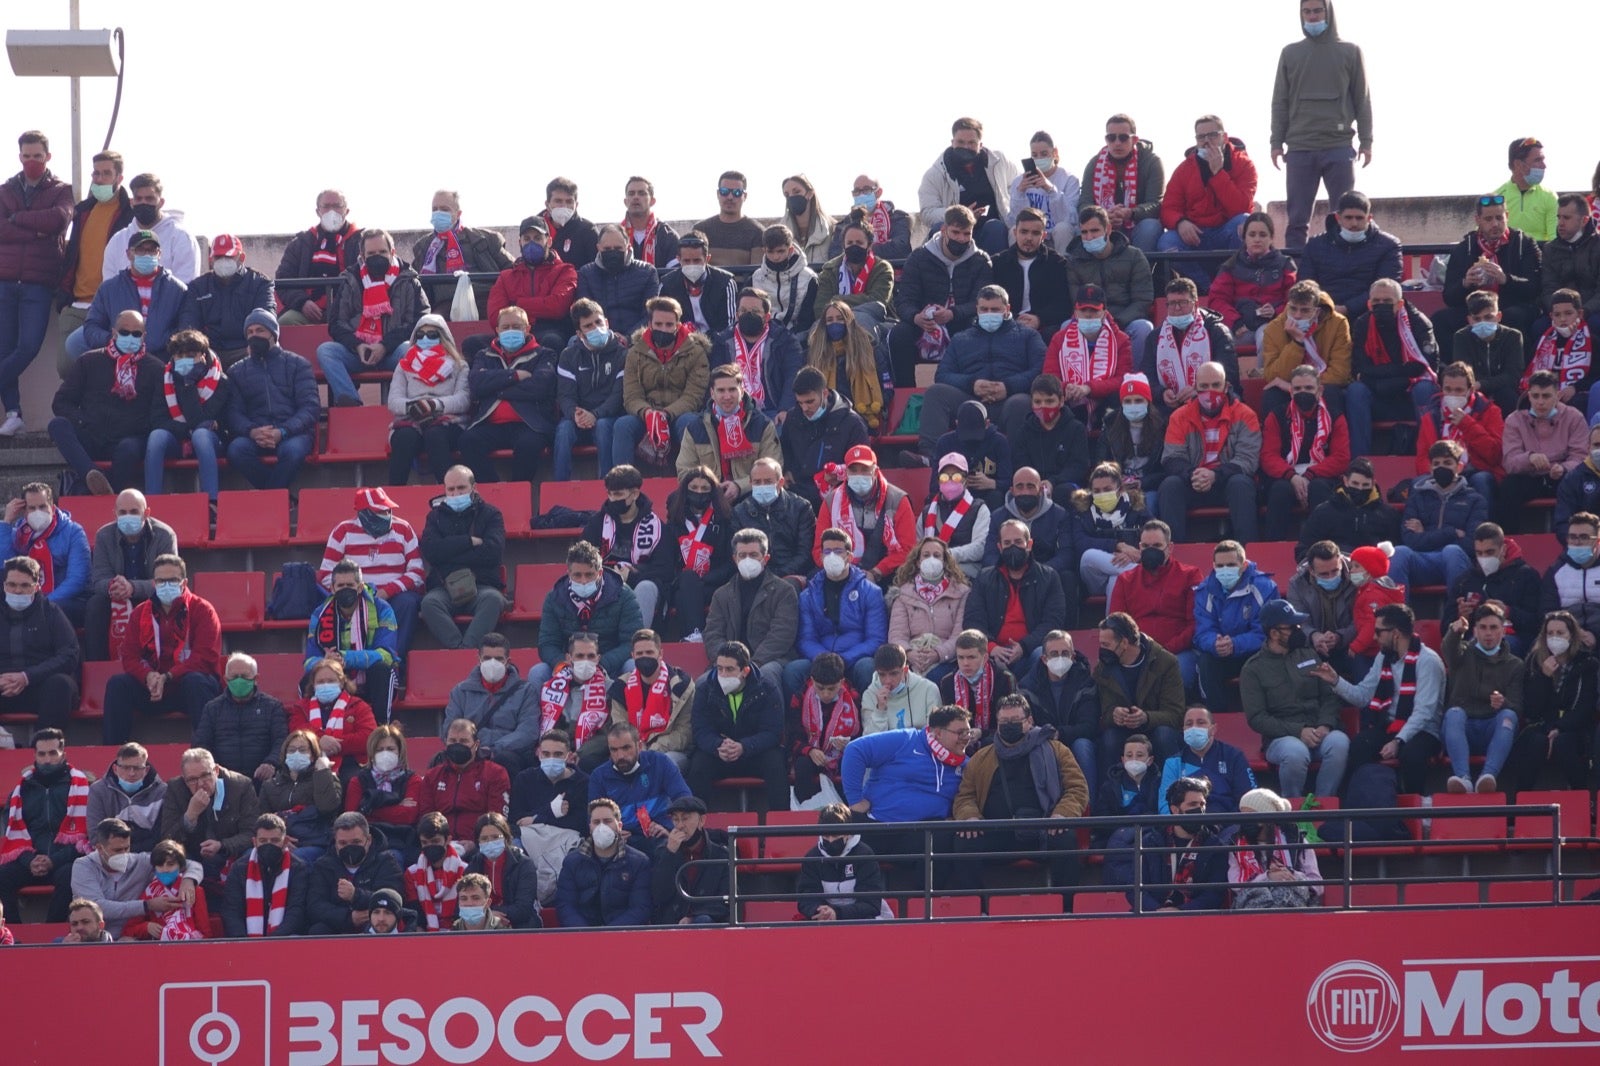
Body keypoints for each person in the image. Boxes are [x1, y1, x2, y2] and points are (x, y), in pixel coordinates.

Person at [949, 694, 1086, 899]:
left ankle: (1066, 906)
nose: (1009, 725)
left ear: (1029, 722)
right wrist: (970, 817)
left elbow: (1077, 788)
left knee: (1065, 838)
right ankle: (977, 906)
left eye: (1015, 721)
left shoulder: (1057, 750)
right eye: (1004, 722)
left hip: (1043, 829)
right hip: (996, 831)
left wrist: (1062, 814)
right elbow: (965, 795)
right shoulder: (981, 757)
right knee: (964, 842)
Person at [1270, 0, 1373, 249]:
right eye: (1307, 11)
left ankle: (1345, 264)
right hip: (1299, 146)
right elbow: (1279, 101)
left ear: (1328, 13)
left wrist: (1367, 141)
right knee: (1297, 220)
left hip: (1338, 145)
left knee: (1345, 216)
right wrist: (1276, 142)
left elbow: (1362, 99)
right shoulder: (1290, 53)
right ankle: (1298, 272)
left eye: (1318, 11)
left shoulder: (1350, 51)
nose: (1313, 16)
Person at [1315, 602, 1444, 795]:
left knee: (1412, 755)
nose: (1374, 638)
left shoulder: (1428, 661)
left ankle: (1416, 810)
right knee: (1360, 746)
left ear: (1395, 634)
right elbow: (1363, 696)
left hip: (1423, 731)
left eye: (1378, 632)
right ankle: (1365, 803)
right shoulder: (1383, 657)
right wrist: (1336, 681)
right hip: (1390, 726)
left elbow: (1423, 712)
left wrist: (1398, 741)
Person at [840, 706, 969, 887]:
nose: (966, 738)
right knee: (838, 831)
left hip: (919, 834)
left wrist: (959, 816)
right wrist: (854, 800)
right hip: (878, 825)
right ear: (938, 733)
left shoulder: (966, 765)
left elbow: (969, 797)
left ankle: (921, 906)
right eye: (960, 732)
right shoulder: (906, 739)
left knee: (943, 838)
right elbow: (855, 750)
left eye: (968, 732)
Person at [102, 553, 221, 744]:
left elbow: (204, 657)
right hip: (153, 689)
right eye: (161, 581)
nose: (166, 585)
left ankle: (208, 755)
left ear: (184, 582)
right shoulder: (140, 612)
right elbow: (130, 657)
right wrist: (148, 676)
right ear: (154, 584)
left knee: (196, 681)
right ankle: (113, 758)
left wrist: (168, 676)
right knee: (118, 685)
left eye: (172, 580)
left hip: (187, 687)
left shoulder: (203, 610)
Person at [918, 284, 1043, 462]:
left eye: (995, 309)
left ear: (1007, 309)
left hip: (1010, 400)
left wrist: (1008, 386)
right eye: (984, 309)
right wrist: (972, 384)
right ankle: (929, 457)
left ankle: (1020, 462)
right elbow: (942, 374)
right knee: (935, 393)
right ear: (977, 309)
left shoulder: (1028, 336)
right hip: (970, 400)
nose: (989, 313)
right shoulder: (961, 339)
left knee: (1021, 403)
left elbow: (1039, 370)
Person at [0, 130, 72, 433]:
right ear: (19, 157)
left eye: (37, 156)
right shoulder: (5, 191)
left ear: (48, 157)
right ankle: (13, 413)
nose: (32, 161)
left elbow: (59, 220)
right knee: (5, 348)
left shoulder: (62, 189)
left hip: (39, 283)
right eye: (27, 156)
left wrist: (16, 220)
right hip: (4, 281)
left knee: (28, 346)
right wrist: (36, 229)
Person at [1241, 599, 1349, 799]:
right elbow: (1257, 718)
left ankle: (1323, 805)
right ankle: (1293, 809)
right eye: (1292, 627)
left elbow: (1329, 697)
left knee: (1339, 742)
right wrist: (1298, 731)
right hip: (1281, 738)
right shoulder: (1253, 669)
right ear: (1274, 633)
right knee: (1295, 753)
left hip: (1318, 729)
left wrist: (1325, 725)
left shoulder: (1309, 655)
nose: (1299, 630)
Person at [50, 307, 162, 495]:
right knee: (57, 425)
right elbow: (61, 402)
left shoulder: (156, 369)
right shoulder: (88, 361)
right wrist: (83, 420)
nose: (130, 337)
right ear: (114, 333)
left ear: (144, 336)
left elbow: (159, 411)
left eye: (136, 334)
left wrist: (136, 427)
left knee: (129, 448)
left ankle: (111, 494)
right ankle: (92, 475)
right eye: (124, 332)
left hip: (129, 439)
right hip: (92, 433)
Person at [318, 229, 428, 405]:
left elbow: (420, 321)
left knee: (409, 349)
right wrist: (357, 346)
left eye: (382, 252)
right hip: (358, 353)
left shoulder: (409, 280)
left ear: (392, 252)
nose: (377, 257)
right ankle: (350, 401)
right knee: (326, 351)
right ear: (362, 256)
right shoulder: (350, 280)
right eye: (371, 253)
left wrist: (385, 346)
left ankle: (406, 403)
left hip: (393, 352)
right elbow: (336, 323)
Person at [888, 205, 994, 386]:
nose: (961, 239)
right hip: (925, 322)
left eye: (967, 234)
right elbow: (904, 300)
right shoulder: (919, 258)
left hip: (960, 320)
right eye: (956, 233)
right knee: (900, 334)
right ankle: (905, 393)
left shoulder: (981, 260)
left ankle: (969, 388)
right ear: (944, 230)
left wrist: (953, 313)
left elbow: (980, 301)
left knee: (975, 331)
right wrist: (917, 317)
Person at [50, 148, 132, 383]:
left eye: (106, 173)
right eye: (96, 173)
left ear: (119, 178)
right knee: (66, 368)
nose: (99, 178)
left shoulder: (130, 214)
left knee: (109, 369)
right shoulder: (83, 211)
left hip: (109, 306)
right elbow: (72, 254)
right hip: (75, 304)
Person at [1159, 360, 1262, 543]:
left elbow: (1248, 460)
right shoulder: (1179, 416)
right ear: (1195, 388)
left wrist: (1214, 475)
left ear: (1226, 387)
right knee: (1170, 485)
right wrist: (1194, 475)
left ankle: (1249, 552)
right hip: (1193, 481)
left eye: (1216, 385)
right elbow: (1172, 458)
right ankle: (1174, 556)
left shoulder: (1246, 415)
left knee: (1241, 484)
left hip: (1227, 482)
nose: (1210, 391)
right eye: (1204, 386)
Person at [318, 487, 423, 659]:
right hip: (355, 593)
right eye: (379, 512)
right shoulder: (342, 531)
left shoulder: (403, 528)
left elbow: (417, 573)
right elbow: (326, 575)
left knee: (408, 603)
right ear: (363, 513)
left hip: (393, 596)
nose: (385, 515)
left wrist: (386, 592)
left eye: (387, 510)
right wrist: (357, 591)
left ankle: (395, 662)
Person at [457, 305, 559, 483]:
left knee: (529, 445)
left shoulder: (544, 354)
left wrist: (496, 389)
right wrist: (515, 376)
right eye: (505, 327)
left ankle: (517, 491)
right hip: (490, 424)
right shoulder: (484, 355)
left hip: (530, 424)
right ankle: (494, 490)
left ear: (527, 329)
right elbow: (476, 385)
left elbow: (539, 387)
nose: (510, 331)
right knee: (468, 441)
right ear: (497, 330)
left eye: (516, 326)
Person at [223, 308, 319, 491]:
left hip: (292, 433)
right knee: (236, 450)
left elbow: (310, 408)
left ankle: (271, 498)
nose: (254, 335)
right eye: (250, 332)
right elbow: (234, 413)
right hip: (255, 434)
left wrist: (282, 431)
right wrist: (252, 432)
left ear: (273, 334)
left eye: (260, 330)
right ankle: (281, 496)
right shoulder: (236, 371)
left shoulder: (299, 364)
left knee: (291, 452)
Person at [684, 641, 788, 811]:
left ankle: (782, 825)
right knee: (699, 766)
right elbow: (700, 729)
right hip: (719, 754)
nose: (723, 674)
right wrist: (718, 745)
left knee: (775, 762)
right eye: (720, 668)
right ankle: (697, 824)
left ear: (745, 671)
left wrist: (744, 746)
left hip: (754, 753)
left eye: (730, 669)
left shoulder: (767, 688)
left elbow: (772, 732)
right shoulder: (705, 689)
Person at [1156, 114, 1257, 289]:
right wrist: (1180, 222)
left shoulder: (1244, 165)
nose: (1206, 141)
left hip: (1226, 231)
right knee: (1167, 242)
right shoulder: (1184, 169)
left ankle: (1234, 284)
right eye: (1201, 137)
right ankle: (1207, 287)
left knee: (1244, 223)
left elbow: (1241, 208)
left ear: (1224, 137)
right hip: (1195, 235)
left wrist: (1218, 174)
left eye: (1212, 135)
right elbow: (1168, 208)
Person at [1345, 277, 1440, 458]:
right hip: (1377, 392)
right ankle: (1359, 461)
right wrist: (1397, 373)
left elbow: (1425, 365)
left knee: (1425, 388)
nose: (1381, 305)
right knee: (1355, 390)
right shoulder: (1362, 324)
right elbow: (1360, 368)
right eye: (1377, 301)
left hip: (1410, 391)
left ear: (1400, 303)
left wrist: (1395, 380)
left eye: (1387, 301)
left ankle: (1431, 456)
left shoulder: (1419, 322)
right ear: (1369, 304)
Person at [0, 728, 88, 921]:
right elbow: (9, 832)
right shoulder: (21, 790)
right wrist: (29, 860)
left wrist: (53, 860)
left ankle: (51, 931)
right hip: (29, 861)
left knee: (74, 873)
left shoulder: (83, 786)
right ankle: (12, 935)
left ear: (63, 754)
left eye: (52, 753)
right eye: (42, 754)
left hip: (64, 861)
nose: (47, 760)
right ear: (35, 755)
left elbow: (87, 838)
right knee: (2, 876)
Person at [69, 225, 187, 365]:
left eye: (151, 250)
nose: (146, 254)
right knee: (73, 344)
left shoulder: (178, 290)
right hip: (116, 360)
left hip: (160, 363)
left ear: (159, 254)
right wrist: (115, 340)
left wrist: (157, 343)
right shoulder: (108, 289)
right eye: (140, 250)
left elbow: (185, 329)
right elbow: (92, 327)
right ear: (129, 254)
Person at [1440, 602, 1526, 793]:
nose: (1488, 633)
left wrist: (1504, 703)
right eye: (1483, 627)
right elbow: (1448, 650)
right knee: (1454, 713)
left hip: (1491, 728)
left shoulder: (1516, 665)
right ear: (1475, 631)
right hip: (1462, 727)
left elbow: (1518, 707)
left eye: (1494, 628)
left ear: (1503, 631)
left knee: (1509, 716)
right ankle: (1463, 778)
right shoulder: (1462, 654)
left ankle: (1488, 777)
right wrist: (1455, 632)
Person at [417, 466, 507, 649]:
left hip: (482, 586)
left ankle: (467, 650)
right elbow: (431, 551)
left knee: (493, 600)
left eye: (461, 488)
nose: (456, 493)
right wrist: (468, 542)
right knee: (428, 604)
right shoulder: (434, 517)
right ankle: (460, 649)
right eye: (450, 489)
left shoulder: (491, 514)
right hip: (444, 587)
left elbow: (492, 552)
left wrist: (448, 552)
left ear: (474, 487)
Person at [616, 296, 712, 466]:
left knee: (690, 422)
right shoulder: (635, 353)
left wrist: (665, 414)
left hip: (679, 414)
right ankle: (620, 483)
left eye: (669, 325)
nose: (664, 329)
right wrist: (647, 413)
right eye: (658, 324)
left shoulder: (696, 352)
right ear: (650, 324)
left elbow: (693, 396)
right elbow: (631, 395)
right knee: (623, 425)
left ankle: (692, 479)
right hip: (646, 415)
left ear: (678, 325)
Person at [1260, 364, 1352, 540]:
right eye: (1298, 388)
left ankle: (1324, 547)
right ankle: (1274, 546)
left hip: (1322, 476)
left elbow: (1341, 458)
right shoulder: (1277, 416)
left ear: (1320, 390)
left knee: (1319, 488)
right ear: (1291, 392)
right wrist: (1292, 476)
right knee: (1280, 490)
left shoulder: (1335, 416)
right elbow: (1268, 456)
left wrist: (1310, 474)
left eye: (1309, 388)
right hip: (1286, 476)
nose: (1303, 392)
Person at [1107, 776, 1226, 912]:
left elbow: (1214, 895)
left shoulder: (1215, 846)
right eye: (1192, 805)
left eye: (1202, 804)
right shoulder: (1149, 843)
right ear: (1175, 810)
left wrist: (1181, 911)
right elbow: (1134, 890)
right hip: (1152, 919)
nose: (1200, 810)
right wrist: (1157, 911)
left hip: (1195, 920)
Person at [1435, 195, 1544, 343]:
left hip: (1511, 305)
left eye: (1499, 218)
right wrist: (1465, 283)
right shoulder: (1464, 249)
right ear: (1477, 220)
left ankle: (1517, 365)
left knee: (1513, 316)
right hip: (1475, 308)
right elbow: (1448, 297)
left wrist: (1506, 279)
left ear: (1507, 216)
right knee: (1441, 319)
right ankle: (1455, 365)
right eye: (1488, 219)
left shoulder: (1523, 244)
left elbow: (1535, 287)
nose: (1495, 224)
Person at [1109, 520, 1203, 688]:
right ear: (1139, 547)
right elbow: (1116, 624)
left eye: (1157, 545)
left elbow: (1195, 624)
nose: (1151, 551)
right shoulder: (1125, 579)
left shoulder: (1190, 575)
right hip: (1135, 652)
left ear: (1170, 547)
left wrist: (1164, 651)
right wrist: (1137, 652)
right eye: (1145, 546)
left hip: (1177, 652)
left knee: (1175, 673)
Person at [535, 540, 643, 688]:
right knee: (537, 673)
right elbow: (547, 643)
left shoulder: (624, 596)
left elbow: (632, 642)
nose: (583, 581)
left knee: (633, 667)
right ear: (569, 574)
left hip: (611, 666)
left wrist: (602, 663)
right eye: (577, 575)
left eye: (589, 575)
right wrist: (563, 663)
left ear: (600, 573)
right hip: (570, 665)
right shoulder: (554, 598)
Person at [965, 518, 1068, 671]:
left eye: (1018, 542)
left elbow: (1053, 621)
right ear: (999, 547)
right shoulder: (984, 578)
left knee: (1043, 655)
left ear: (1029, 544)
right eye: (1007, 543)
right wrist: (991, 647)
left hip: (1031, 650)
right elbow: (973, 619)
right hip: (993, 652)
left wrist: (1024, 647)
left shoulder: (1049, 577)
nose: (1013, 547)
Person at [703, 527, 797, 693]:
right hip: (728, 663)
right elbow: (712, 634)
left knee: (765, 677)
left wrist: (753, 665)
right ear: (734, 558)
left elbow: (781, 635)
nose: (747, 560)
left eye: (753, 555)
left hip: (771, 660)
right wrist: (730, 664)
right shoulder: (721, 594)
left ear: (765, 558)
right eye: (742, 555)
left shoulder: (784, 591)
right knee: (702, 684)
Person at [1511, 611, 1597, 791]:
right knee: (1535, 742)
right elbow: (1531, 710)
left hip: (1576, 728)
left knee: (1564, 742)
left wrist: (1559, 727)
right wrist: (1543, 677)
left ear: (1571, 635)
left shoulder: (1588, 663)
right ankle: (1519, 803)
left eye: (1560, 633)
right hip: (1542, 725)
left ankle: (1582, 796)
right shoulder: (1534, 661)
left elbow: (1585, 707)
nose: (1554, 638)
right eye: (1550, 633)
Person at [304, 561, 399, 723]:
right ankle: (315, 733)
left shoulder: (382, 609)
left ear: (360, 587)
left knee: (382, 670)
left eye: (350, 585)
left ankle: (381, 731)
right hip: (337, 679)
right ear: (332, 589)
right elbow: (309, 661)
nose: (345, 589)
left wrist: (346, 658)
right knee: (307, 679)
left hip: (372, 681)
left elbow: (386, 655)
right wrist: (327, 662)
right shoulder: (319, 614)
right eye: (341, 585)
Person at [1389, 439, 1487, 596]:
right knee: (1400, 552)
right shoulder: (1417, 498)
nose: (1441, 467)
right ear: (1430, 468)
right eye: (1436, 464)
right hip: (1422, 560)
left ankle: (1457, 616)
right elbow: (1410, 540)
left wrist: (1425, 533)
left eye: (1447, 463)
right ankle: (1395, 617)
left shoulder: (1475, 500)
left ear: (1459, 467)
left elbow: (1470, 544)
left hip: (1457, 561)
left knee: (1452, 551)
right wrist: (1451, 532)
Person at [1195, 541, 1282, 711]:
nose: (1225, 570)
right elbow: (1202, 630)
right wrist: (1215, 643)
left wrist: (1234, 644)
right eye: (1220, 566)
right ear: (1213, 566)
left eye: (1231, 565)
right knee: (1205, 661)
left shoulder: (1265, 587)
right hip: (1222, 653)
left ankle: (1265, 713)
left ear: (1244, 565)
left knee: (1268, 655)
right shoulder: (1205, 590)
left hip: (1254, 652)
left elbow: (1266, 632)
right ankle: (1217, 715)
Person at [1093, 612, 1184, 773]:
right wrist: (1114, 715)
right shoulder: (1102, 669)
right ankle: (1110, 793)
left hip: (1155, 727)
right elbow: (1102, 714)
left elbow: (1175, 714)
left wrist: (1146, 718)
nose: (1102, 650)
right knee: (1109, 740)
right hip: (1122, 730)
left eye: (1106, 645)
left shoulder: (1166, 663)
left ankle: (1173, 789)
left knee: (1164, 735)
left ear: (1124, 643)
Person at [385, 313, 471, 485]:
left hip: (447, 421)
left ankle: (450, 493)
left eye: (432, 335)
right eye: (420, 335)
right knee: (404, 438)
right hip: (411, 419)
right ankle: (393, 497)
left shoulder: (460, 365)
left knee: (435, 435)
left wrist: (435, 405)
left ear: (443, 337)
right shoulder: (404, 366)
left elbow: (464, 399)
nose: (425, 338)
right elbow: (394, 400)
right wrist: (413, 407)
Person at [144, 330, 230, 501]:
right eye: (179, 355)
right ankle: (151, 501)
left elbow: (199, 419)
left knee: (201, 435)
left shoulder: (221, 381)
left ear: (203, 356)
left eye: (191, 355)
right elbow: (158, 420)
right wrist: (188, 431)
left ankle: (211, 502)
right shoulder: (165, 378)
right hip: (177, 439)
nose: (184, 360)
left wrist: (188, 384)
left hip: (213, 442)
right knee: (156, 436)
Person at [812, 444, 916, 583]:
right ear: (846, 472)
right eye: (853, 470)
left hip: (886, 573)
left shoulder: (897, 500)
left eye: (865, 469)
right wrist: (841, 569)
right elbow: (819, 548)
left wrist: (877, 572)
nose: (858, 475)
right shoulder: (831, 501)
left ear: (875, 470)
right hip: (841, 571)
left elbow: (908, 549)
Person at [679, 364, 783, 502]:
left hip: (751, 495)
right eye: (721, 390)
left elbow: (775, 467)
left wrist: (739, 486)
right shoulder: (695, 427)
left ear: (741, 389)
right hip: (708, 496)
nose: (727, 396)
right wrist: (711, 487)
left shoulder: (762, 425)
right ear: (712, 393)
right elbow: (684, 471)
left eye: (732, 390)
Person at [158, 748, 260, 889]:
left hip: (232, 852)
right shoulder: (175, 788)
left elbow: (251, 833)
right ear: (184, 779)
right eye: (192, 779)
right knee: (170, 860)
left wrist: (222, 845)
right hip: (194, 854)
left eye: (206, 775)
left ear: (216, 771)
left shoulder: (241, 786)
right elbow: (167, 839)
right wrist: (190, 816)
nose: (200, 784)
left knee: (252, 856)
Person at [0, 555, 79, 732]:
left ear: (36, 587)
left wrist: (27, 677)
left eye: (24, 585)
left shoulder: (51, 612)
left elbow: (69, 654)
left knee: (61, 685)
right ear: (4, 586)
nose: (17, 591)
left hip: (39, 684)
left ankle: (45, 750)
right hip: (2, 685)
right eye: (11, 585)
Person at [1141, 277, 1241, 417]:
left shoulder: (1217, 331)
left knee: (1233, 398)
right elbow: (1146, 376)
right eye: (1172, 303)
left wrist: (1199, 390)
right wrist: (1161, 393)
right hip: (1171, 404)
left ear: (1196, 304)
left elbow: (1230, 375)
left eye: (1183, 302)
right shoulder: (1155, 337)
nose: (1177, 308)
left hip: (1209, 396)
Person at [441, 634, 538, 778]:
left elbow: (527, 732)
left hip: (509, 754)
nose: (492, 663)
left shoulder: (526, 691)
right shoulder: (460, 691)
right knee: (441, 760)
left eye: (498, 659)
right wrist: (473, 747)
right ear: (479, 659)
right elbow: (450, 728)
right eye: (487, 658)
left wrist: (494, 749)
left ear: (507, 661)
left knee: (504, 759)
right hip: (471, 750)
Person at [587, 722, 691, 852]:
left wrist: (669, 829)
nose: (620, 756)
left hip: (659, 836)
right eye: (614, 750)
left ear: (639, 746)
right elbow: (593, 818)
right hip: (622, 842)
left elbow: (685, 801)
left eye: (626, 748)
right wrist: (612, 832)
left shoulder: (660, 763)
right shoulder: (599, 777)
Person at [1204, 211, 1299, 354]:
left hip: (1273, 324)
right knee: (1215, 341)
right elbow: (1217, 300)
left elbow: (1295, 300)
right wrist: (1235, 322)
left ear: (1271, 238)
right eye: (1252, 234)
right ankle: (1226, 377)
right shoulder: (1230, 266)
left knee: (1267, 338)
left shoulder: (1285, 265)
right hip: (1239, 326)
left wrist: (1276, 312)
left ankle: (1266, 376)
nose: (1257, 239)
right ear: (1244, 238)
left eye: (1263, 235)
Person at [917, 116, 1016, 252]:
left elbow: (1015, 187)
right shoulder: (936, 173)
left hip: (992, 230)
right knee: (938, 229)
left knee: (996, 227)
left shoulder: (999, 163)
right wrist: (961, 215)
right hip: (956, 231)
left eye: (971, 143)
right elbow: (927, 212)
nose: (966, 147)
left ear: (980, 144)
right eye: (961, 142)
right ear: (952, 142)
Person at [554, 299, 627, 481]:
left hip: (608, 415)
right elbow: (565, 395)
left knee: (603, 427)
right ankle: (559, 487)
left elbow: (618, 395)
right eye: (588, 326)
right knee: (563, 429)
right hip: (578, 417)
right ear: (579, 333)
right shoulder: (568, 356)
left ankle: (608, 485)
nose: (595, 328)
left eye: (598, 322)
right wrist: (574, 413)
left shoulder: (623, 354)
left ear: (607, 322)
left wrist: (595, 414)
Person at [1257, 279, 1352, 419]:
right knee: (1272, 394)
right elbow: (1272, 375)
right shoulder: (1274, 328)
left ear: (1317, 311)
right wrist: (1297, 343)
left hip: (1322, 385)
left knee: (1331, 393)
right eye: (1293, 308)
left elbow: (1340, 374)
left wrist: (1301, 387)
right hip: (1288, 385)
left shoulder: (1338, 323)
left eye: (1305, 310)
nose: (1297, 315)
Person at [1065, 211, 1156, 357]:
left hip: (1125, 321)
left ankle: (1136, 377)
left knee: (1143, 328)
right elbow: (1076, 300)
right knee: (1065, 327)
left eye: (1094, 231)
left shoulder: (1134, 256)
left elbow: (1142, 300)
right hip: (1089, 319)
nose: (1089, 237)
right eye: (1084, 232)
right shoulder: (1074, 262)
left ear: (1108, 229)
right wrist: (1096, 320)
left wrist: (1117, 322)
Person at [710, 288, 805, 425]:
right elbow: (715, 378)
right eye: (743, 311)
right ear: (736, 315)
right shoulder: (722, 341)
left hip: (773, 411)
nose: (748, 315)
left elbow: (793, 376)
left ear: (767, 317)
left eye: (755, 312)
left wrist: (785, 409)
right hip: (731, 410)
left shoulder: (785, 341)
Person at [1299, 191, 1403, 315]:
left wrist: (1347, 309)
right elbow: (1306, 285)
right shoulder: (1315, 245)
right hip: (1322, 314)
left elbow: (1387, 289)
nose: (1354, 223)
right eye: (1348, 218)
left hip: (1370, 315)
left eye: (1359, 218)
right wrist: (1327, 307)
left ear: (1369, 218)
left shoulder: (1389, 245)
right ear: (1338, 218)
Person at [410, 189, 511, 317]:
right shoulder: (424, 247)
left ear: (458, 214)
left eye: (444, 209)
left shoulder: (484, 239)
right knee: (431, 324)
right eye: (434, 209)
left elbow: (512, 269)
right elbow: (412, 280)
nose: (438, 213)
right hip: (444, 305)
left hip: (484, 300)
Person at [1446, 523, 1540, 660]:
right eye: (1479, 553)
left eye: (1490, 552)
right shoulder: (1465, 581)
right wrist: (1462, 617)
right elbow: (1445, 628)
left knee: (1497, 645)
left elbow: (1537, 623)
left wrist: (1508, 612)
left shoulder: (1526, 576)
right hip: (1473, 641)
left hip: (1514, 641)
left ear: (1503, 549)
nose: (1484, 558)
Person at [555, 798, 653, 927]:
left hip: (622, 937)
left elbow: (640, 908)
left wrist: (609, 935)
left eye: (607, 821)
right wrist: (584, 934)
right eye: (596, 822)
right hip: (582, 937)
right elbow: (565, 906)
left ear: (619, 826)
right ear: (590, 827)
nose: (602, 827)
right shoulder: (572, 862)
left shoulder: (639, 862)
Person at [663, 466, 735, 640]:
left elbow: (730, 561)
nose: (699, 492)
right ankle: (696, 635)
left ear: (713, 492)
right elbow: (668, 560)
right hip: (682, 582)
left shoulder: (725, 520)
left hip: (714, 583)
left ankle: (693, 635)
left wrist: (705, 579)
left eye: (704, 489)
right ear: (685, 490)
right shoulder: (675, 522)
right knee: (686, 583)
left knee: (684, 595)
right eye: (694, 488)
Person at [192, 653, 286, 786]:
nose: (239, 681)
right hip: (222, 782)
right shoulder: (212, 708)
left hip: (263, 781)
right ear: (226, 679)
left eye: (244, 676)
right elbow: (201, 744)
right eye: (234, 677)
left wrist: (271, 763)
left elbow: (281, 741)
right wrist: (213, 770)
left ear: (256, 678)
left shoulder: (272, 707)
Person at [177, 234, 273, 365]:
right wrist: (196, 349)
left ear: (242, 257)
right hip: (209, 351)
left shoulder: (260, 283)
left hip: (247, 349)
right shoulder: (197, 287)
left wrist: (255, 346)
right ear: (211, 259)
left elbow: (266, 318)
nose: (223, 260)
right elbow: (188, 321)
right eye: (218, 257)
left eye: (228, 256)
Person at [1077, 113, 1166, 253]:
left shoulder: (1151, 162)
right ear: (1106, 140)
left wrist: (1130, 213)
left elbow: (1155, 203)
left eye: (1123, 138)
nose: (1117, 143)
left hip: (1137, 224)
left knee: (1151, 226)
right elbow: (1084, 203)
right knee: (1079, 227)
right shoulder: (1094, 164)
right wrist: (1102, 216)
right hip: (1102, 226)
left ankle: (1141, 270)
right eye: (1111, 138)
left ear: (1134, 139)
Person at [888, 537, 971, 685]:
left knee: (936, 679)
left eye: (937, 555)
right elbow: (897, 634)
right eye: (926, 555)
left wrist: (938, 654)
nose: (931, 559)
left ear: (945, 561)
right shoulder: (902, 594)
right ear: (918, 561)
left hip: (947, 659)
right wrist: (908, 654)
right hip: (911, 658)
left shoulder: (961, 593)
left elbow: (960, 635)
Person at [305, 811, 405, 935]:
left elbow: (393, 897)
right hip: (338, 926)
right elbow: (315, 906)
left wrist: (355, 895)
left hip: (375, 925)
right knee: (318, 930)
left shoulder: (386, 861)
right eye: (343, 843)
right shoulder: (323, 866)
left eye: (356, 842)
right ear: (335, 842)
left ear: (368, 840)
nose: (349, 847)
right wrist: (349, 918)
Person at [486, 215, 577, 350]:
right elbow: (495, 316)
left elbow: (557, 307)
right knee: (473, 343)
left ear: (549, 241)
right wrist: (538, 308)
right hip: (512, 333)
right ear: (520, 242)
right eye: (527, 239)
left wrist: (517, 304)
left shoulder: (564, 271)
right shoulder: (506, 277)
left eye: (538, 238)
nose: (531, 243)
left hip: (551, 331)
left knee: (552, 341)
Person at [5, 481, 90, 627]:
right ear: (24, 512)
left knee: (49, 612)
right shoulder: (19, 534)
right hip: (24, 597)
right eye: (32, 508)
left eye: (42, 506)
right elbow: (4, 566)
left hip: (66, 601)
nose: (38, 512)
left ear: (53, 507)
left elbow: (77, 579)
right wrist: (6, 522)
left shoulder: (73, 532)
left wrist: (43, 603)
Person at [1223, 788, 1324, 909]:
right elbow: (1236, 886)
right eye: (1242, 814)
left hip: (1292, 897)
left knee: (1283, 890)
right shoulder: (1235, 844)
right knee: (1263, 894)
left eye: (1251, 815)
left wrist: (1289, 874)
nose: (1245, 820)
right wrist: (1268, 877)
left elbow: (1318, 886)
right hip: (1253, 900)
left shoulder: (1296, 839)